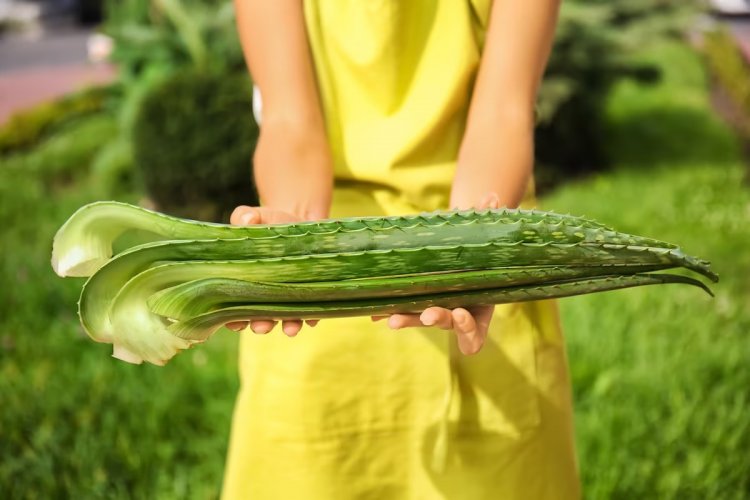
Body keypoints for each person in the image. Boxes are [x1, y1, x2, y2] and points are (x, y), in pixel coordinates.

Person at [223, 1, 579, 498]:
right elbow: (288, 119)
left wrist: (472, 257)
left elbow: (504, 109)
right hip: (328, 284)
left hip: (481, 242)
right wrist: (296, 236)